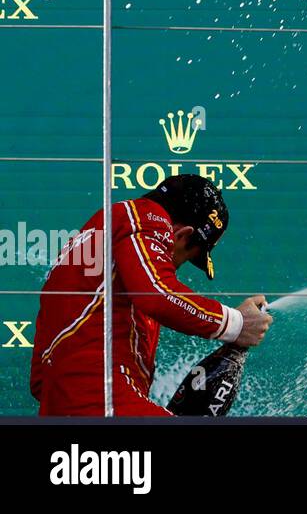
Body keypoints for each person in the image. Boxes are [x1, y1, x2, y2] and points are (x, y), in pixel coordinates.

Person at [30, 174, 272, 416]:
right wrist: (238, 323)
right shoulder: (143, 217)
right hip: (106, 401)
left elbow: (39, 379)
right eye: (188, 258)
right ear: (182, 235)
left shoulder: (90, 249)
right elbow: (158, 294)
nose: (175, 267)